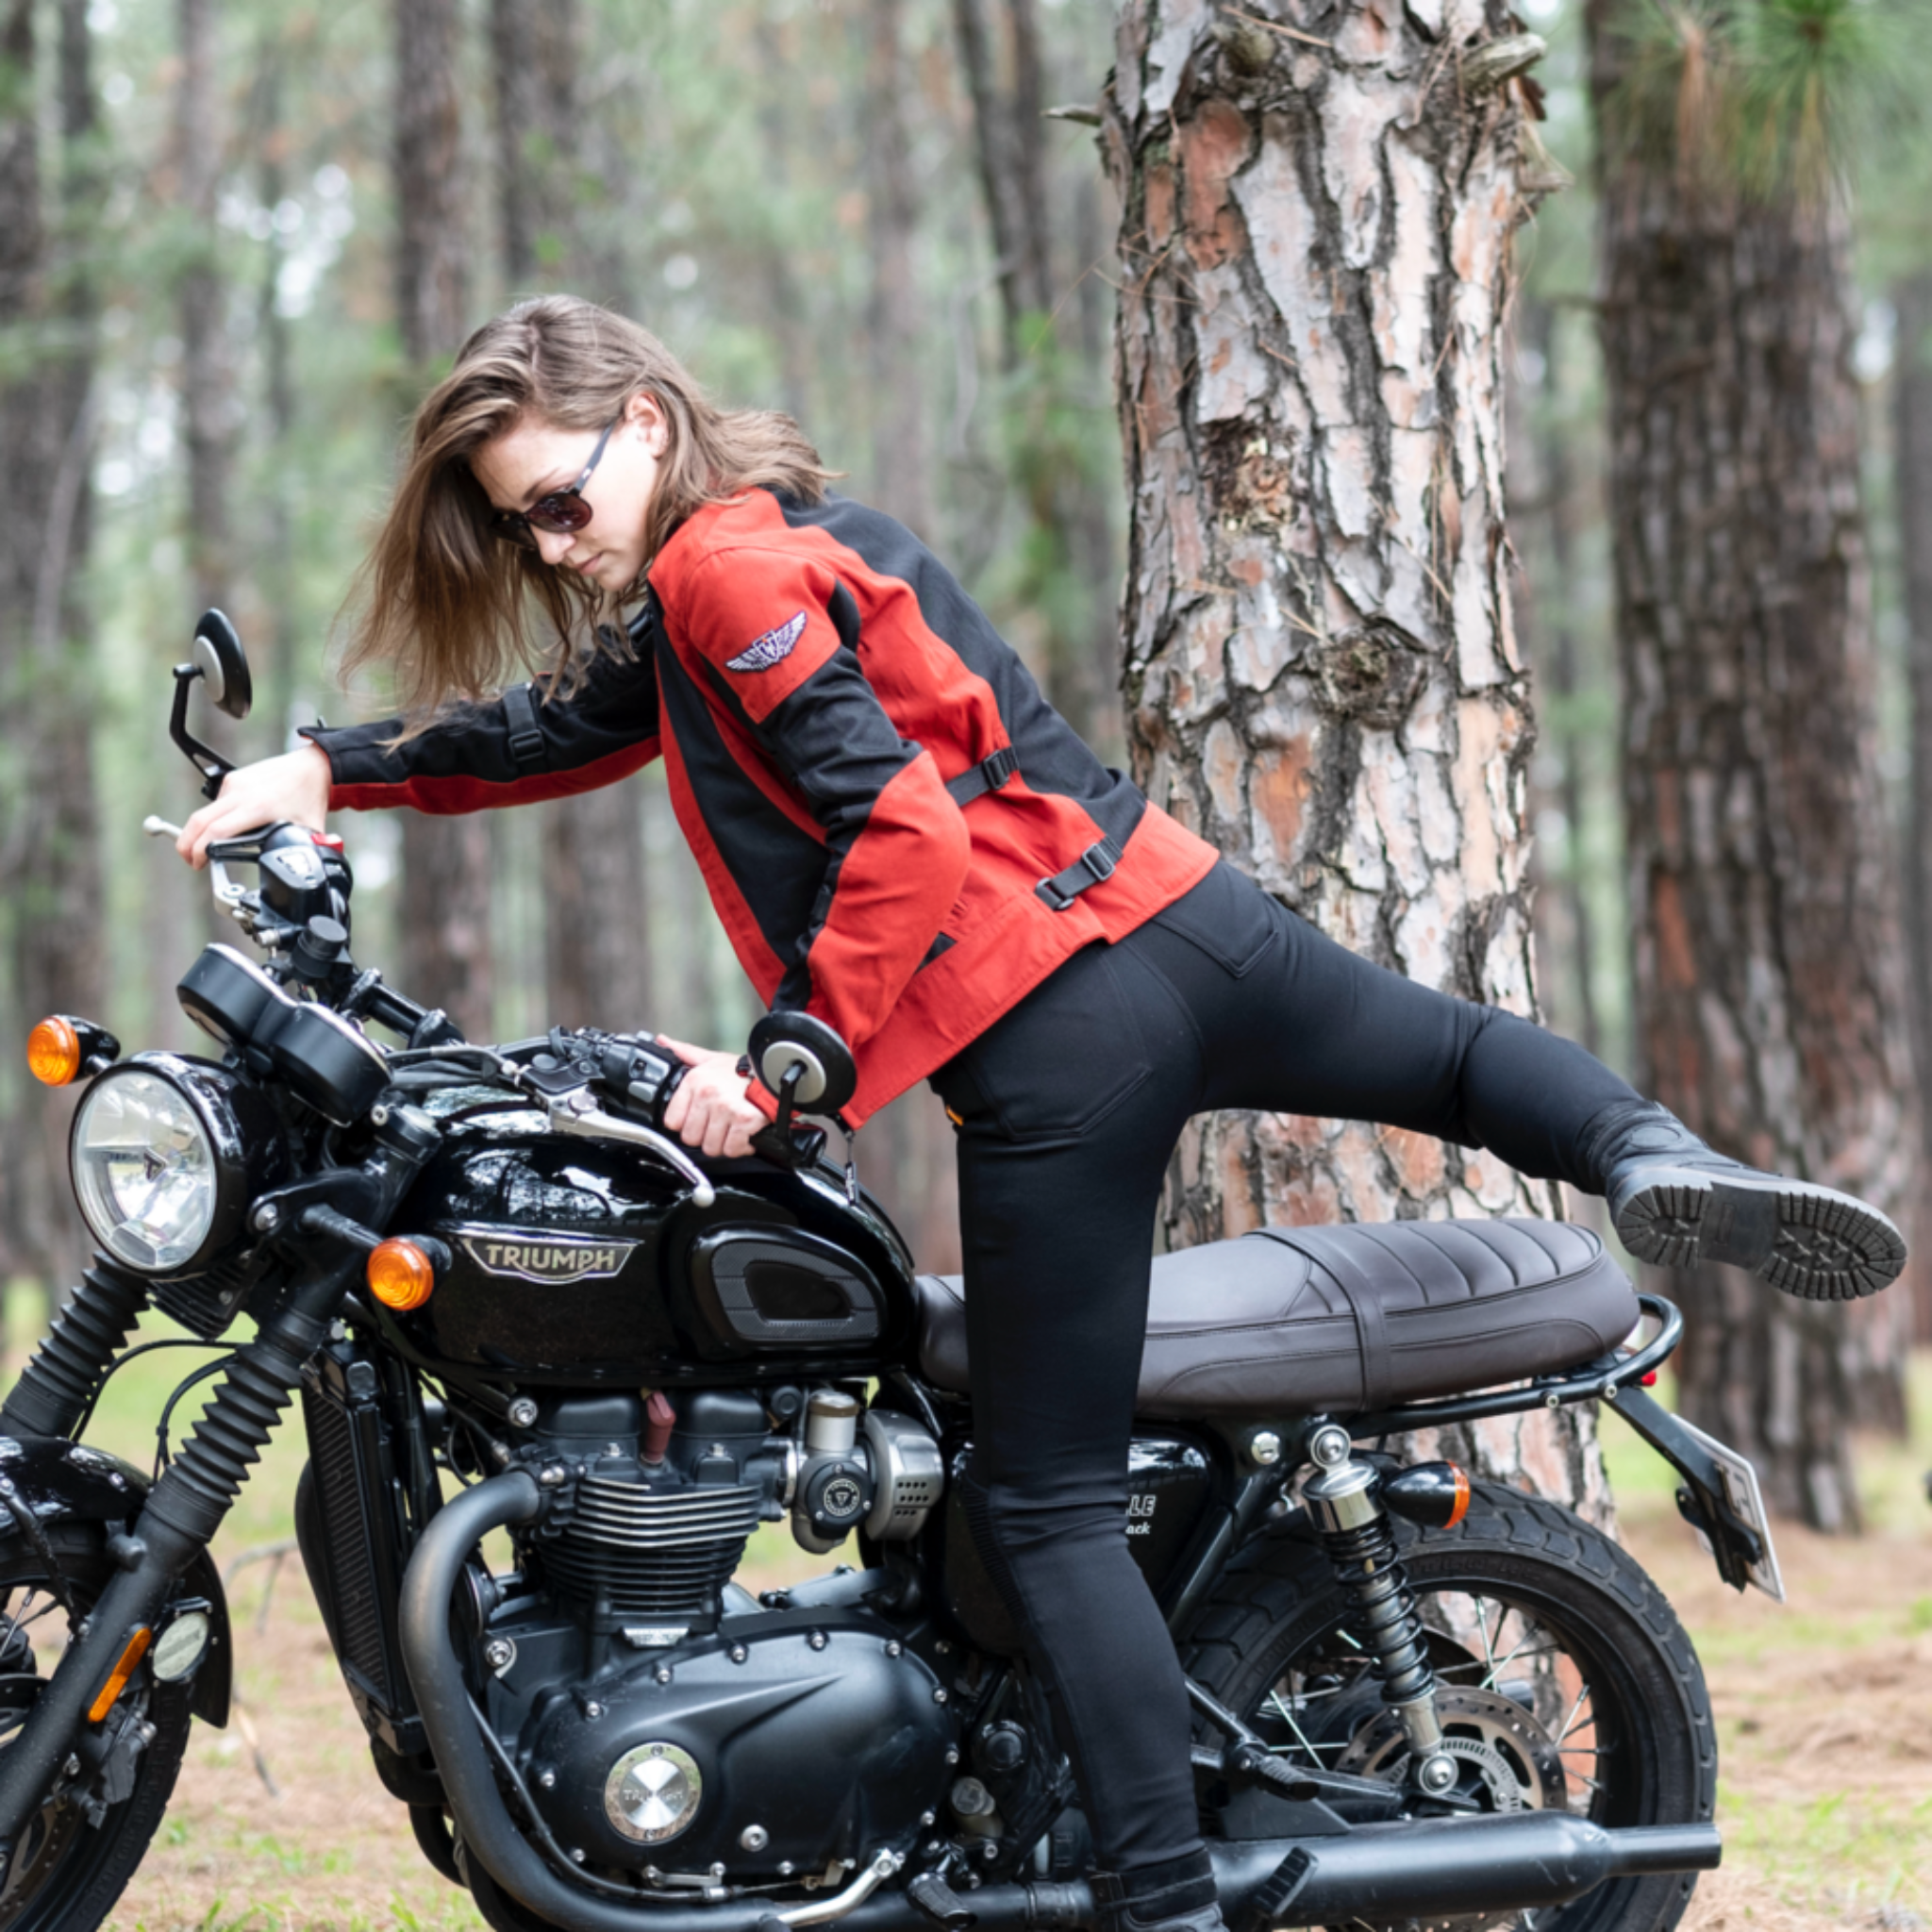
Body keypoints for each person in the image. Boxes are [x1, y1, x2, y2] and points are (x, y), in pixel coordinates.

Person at [177, 295, 1904, 1932]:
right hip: (1183, 917)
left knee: (1045, 1503)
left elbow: (905, 837)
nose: (556, 547)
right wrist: (328, 763)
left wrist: (793, 1062)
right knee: (1455, 1058)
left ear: (644, 420)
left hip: (1058, 1036)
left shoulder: (720, 576)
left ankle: (1160, 1904)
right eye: (525, 528)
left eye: (560, 502)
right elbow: (559, 726)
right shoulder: (780, 536)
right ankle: (1645, 1155)